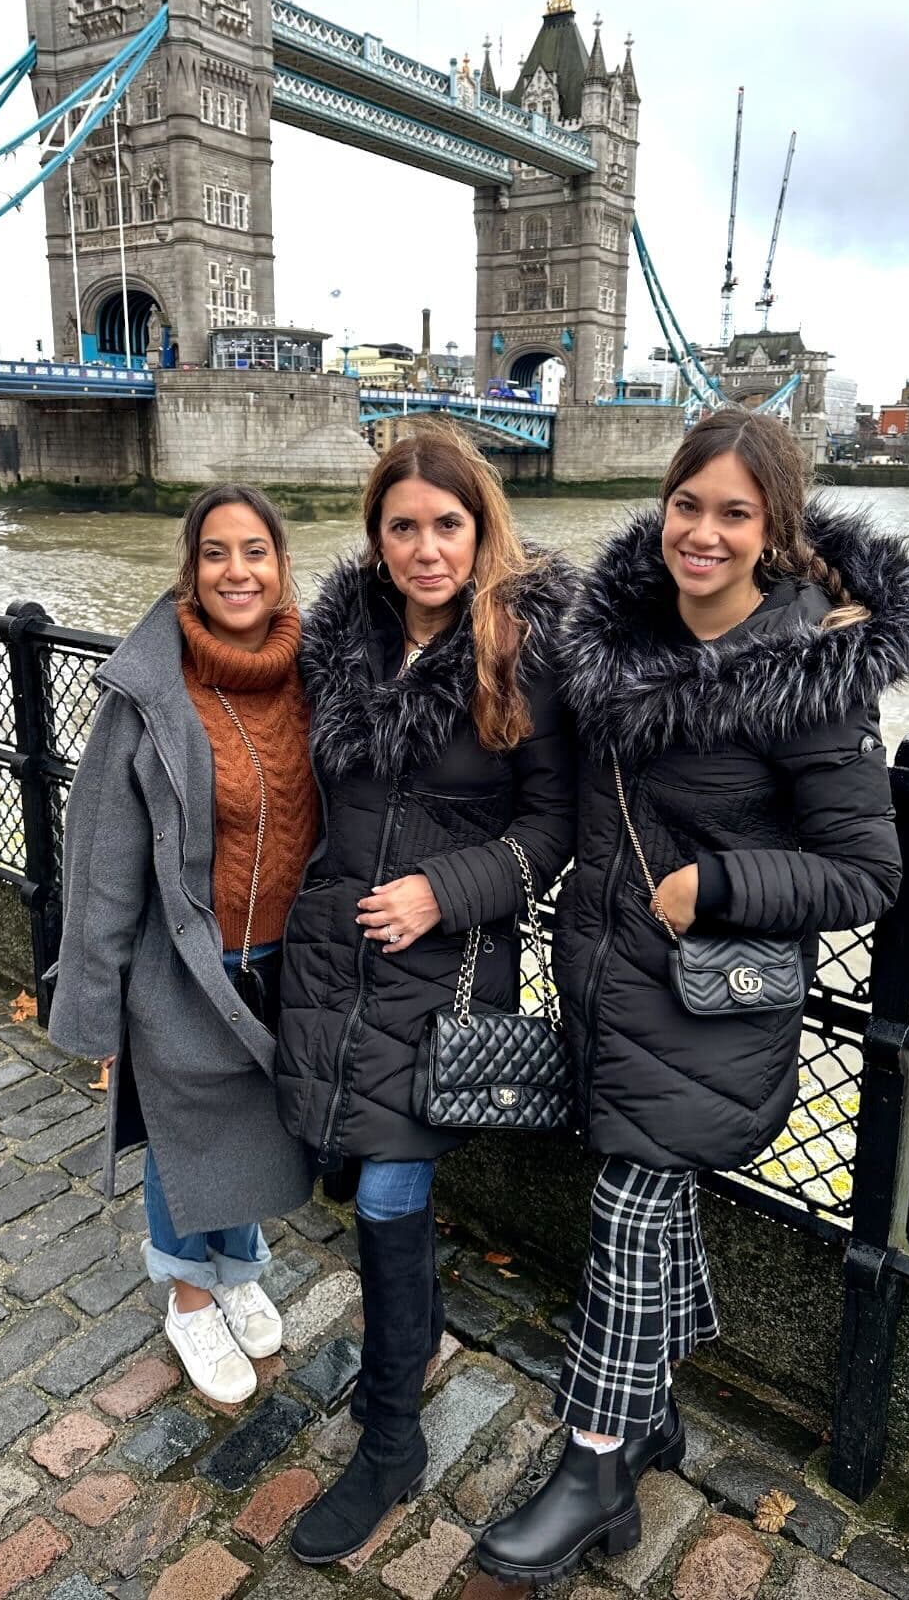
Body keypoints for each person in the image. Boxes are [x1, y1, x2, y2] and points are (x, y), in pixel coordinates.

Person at [477, 408, 909, 1584]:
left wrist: (719, 882)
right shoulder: (613, 632)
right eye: (689, 503)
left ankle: (591, 1465)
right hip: (598, 976)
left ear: (774, 529)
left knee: (633, 1210)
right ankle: (653, 1424)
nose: (703, 532)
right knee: (651, 1204)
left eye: (735, 513)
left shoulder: (812, 673)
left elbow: (868, 875)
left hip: (706, 1003)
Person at [277, 426, 576, 1565]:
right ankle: (412, 1351)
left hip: (442, 971)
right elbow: (236, 666)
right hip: (331, 958)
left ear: (480, 525)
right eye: (402, 526)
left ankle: (390, 1441)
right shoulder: (340, 639)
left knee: (395, 1198)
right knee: (351, 1186)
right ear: (376, 537)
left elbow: (552, 828)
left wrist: (442, 892)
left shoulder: (524, 646)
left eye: (446, 524)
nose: (425, 547)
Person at [48, 484, 319, 1406]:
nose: (235, 570)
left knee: (258, 1124)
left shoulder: (318, 674)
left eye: (254, 551)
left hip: (288, 960)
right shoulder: (149, 691)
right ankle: (189, 1295)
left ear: (282, 566)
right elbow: (100, 855)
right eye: (215, 552)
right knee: (184, 1135)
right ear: (191, 569)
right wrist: (96, 999)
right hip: (183, 964)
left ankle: (238, 1267)